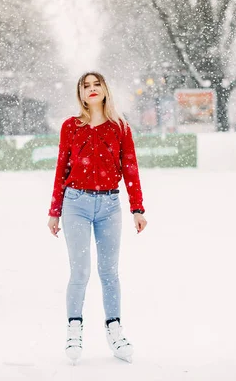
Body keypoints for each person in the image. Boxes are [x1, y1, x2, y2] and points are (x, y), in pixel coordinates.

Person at [47, 72, 148, 363]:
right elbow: (61, 169)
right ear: (80, 93)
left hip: (109, 206)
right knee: (80, 272)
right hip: (75, 204)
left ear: (105, 89)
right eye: (86, 86)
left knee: (109, 272)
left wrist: (137, 208)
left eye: (96, 85)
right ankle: (74, 328)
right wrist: (55, 211)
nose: (92, 90)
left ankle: (114, 329)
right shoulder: (70, 126)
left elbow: (130, 168)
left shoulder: (120, 126)